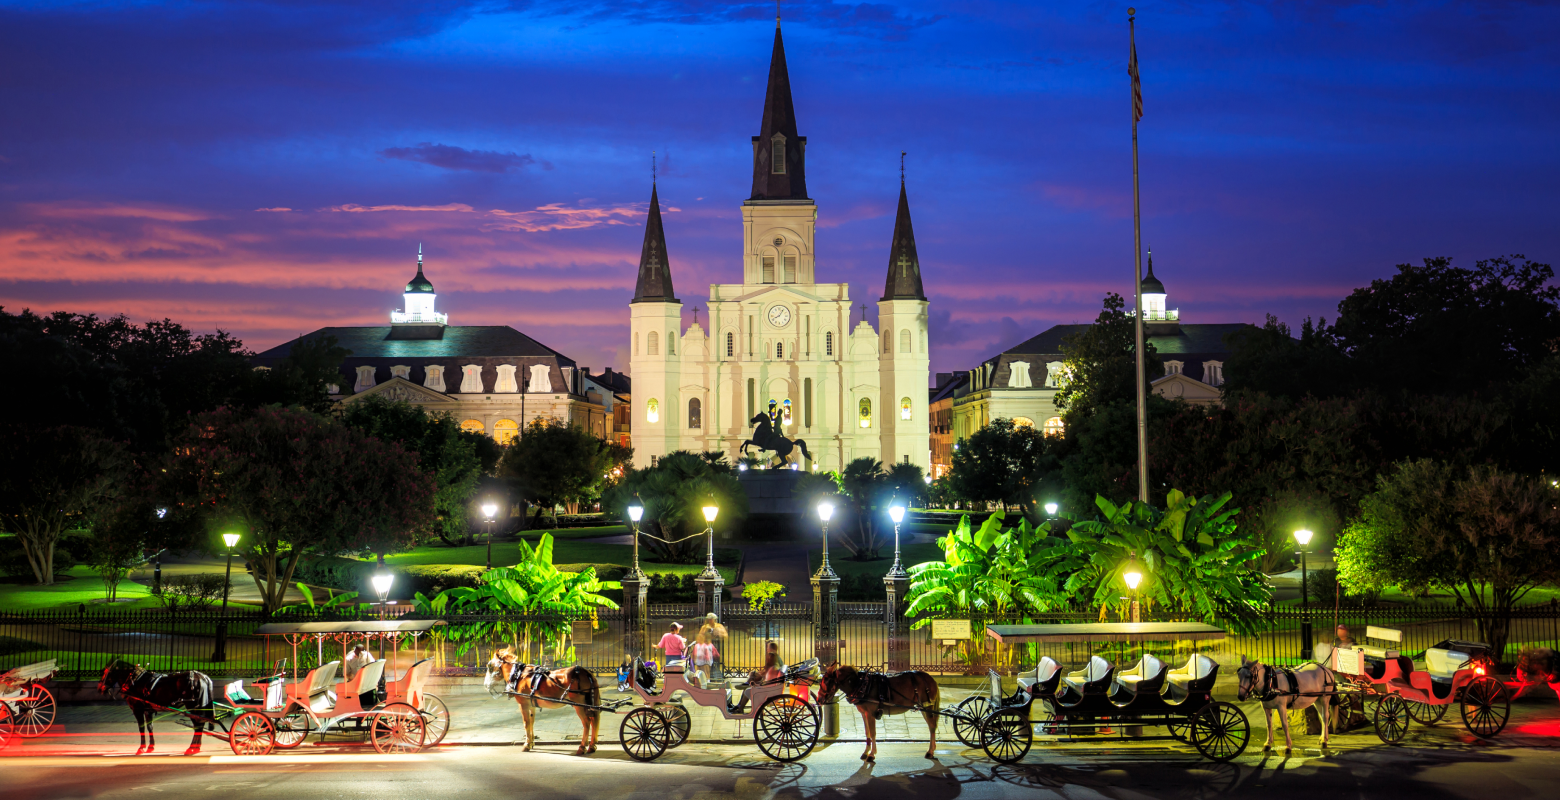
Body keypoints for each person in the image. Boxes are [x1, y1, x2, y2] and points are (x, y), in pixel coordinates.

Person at [699, 612, 728, 681]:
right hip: (707, 646)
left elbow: (725, 635)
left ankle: (716, 675)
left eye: (711, 619)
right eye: (709, 619)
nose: (710, 620)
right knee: (707, 661)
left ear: (715, 619)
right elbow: (700, 636)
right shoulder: (704, 627)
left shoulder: (719, 626)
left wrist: (717, 633)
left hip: (716, 646)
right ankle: (709, 676)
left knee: (716, 661)